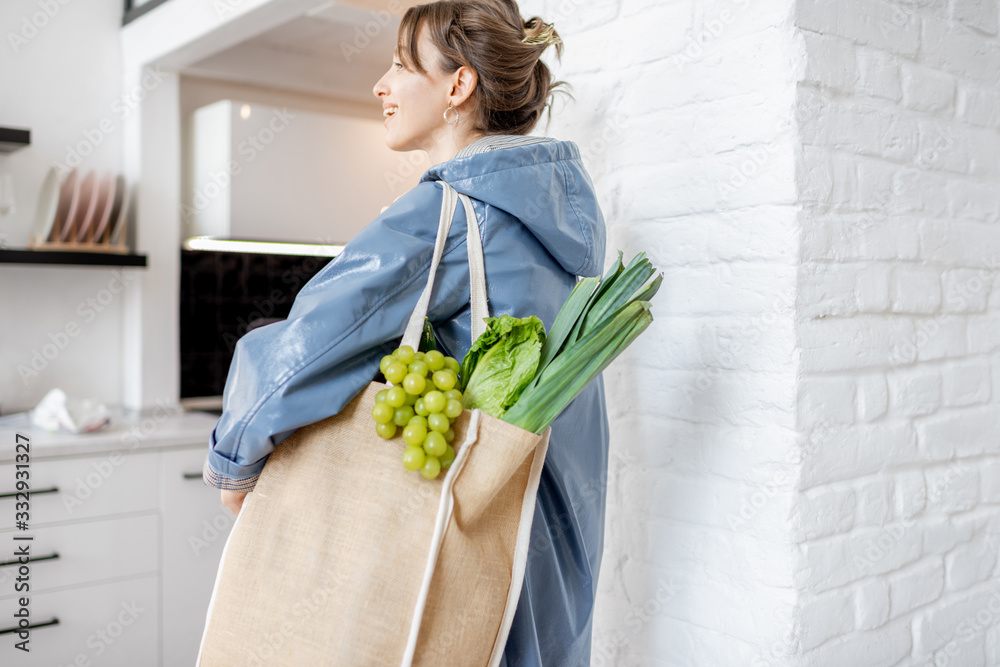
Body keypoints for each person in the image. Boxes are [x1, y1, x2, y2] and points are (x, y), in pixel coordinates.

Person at [202, 0, 610, 664]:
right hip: (547, 566)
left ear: (459, 86)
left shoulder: (445, 216)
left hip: (454, 562)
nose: (380, 85)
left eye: (399, 64)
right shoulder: (563, 225)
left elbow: (309, 343)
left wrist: (234, 458)